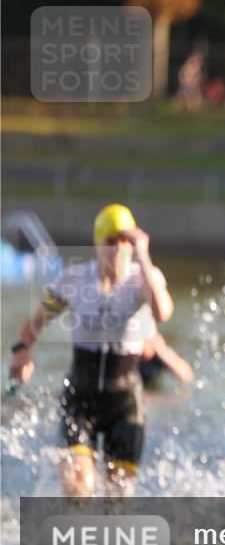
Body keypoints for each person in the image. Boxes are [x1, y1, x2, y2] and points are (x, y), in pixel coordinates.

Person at [7, 204, 174, 497]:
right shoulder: (73, 280)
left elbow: (162, 312)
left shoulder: (143, 279)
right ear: (98, 244)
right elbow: (35, 323)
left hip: (125, 404)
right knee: (79, 490)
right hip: (80, 399)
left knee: (116, 502)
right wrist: (21, 351)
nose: (119, 249)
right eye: (112, 241)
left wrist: (143, 255)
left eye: (126, 242)